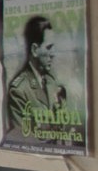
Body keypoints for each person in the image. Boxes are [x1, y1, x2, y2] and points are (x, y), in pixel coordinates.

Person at [6, 15, 79, 143]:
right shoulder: (19, 90)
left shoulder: (52, 82)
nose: (53, 54)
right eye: (49, 47)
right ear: (35, 50)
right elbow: (24, 138)